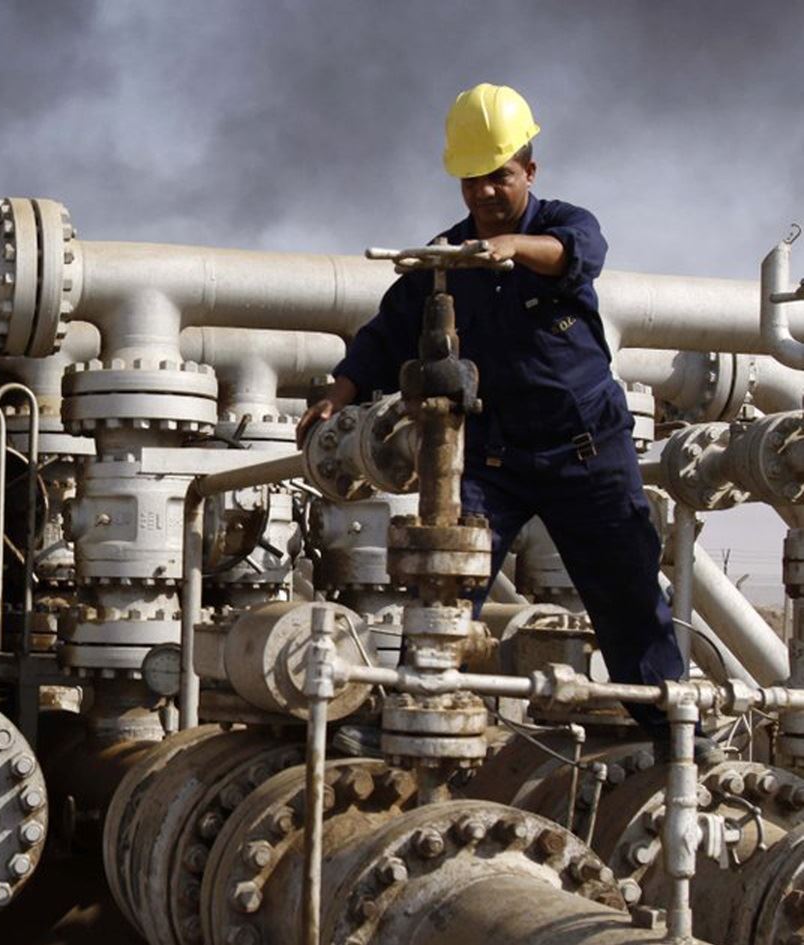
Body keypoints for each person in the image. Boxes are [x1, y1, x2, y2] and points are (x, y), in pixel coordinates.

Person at [298, 83, 719, 763]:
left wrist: (515, 247)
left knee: (628, 596)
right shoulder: (448, 258)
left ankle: (679, 744)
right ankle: (405, 716)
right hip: (495, 460)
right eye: (473, 180)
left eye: (499, 176)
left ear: (529, 170)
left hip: (587, 454)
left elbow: (577, 253)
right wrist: (339, 393)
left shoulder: (564, 225)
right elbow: (387, 331)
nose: (486, 192)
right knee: (445, 581)